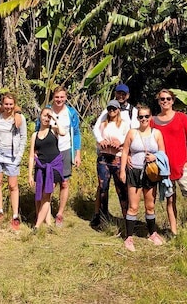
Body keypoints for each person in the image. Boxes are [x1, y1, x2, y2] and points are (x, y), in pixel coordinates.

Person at [151, 89, 187, 247]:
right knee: (171, 201)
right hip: (164, 169)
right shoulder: (152, 121)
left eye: (168, 98)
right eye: (162, 99)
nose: (165, 101)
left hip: (181, 166)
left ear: (173, 100)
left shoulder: (182, 118)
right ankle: (174, 232)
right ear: (158, 101)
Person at [118, 105, 166, 251]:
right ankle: (129, 237)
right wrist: (122, 170)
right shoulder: (132, 133)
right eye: (141, 117)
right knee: (133, 206)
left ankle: (152, 233)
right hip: (134, 172)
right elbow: (125, 151)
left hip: (150, 173)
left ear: (150, 117)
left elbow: (162, 152)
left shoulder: (156, 133)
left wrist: (154, 157)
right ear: (137, 118)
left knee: (150, 205)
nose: (144, 119)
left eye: (146, 116)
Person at [0, 92, 27, 231]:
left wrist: (19, 157)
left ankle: (15, 215)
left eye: (11, 104)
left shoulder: (19, 118)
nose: (8, 107)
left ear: (14, 104)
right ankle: (0, 212)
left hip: (12, 155)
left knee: (13, 185)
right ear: (2, 104)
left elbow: (23, 138)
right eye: (6, 104)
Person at [90, 100, 130, 228]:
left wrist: (120, 142)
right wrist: (101, 141)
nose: (112, 111)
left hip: (117, 158)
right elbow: (96, 134)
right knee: (103, 187)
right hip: (104, 158)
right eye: (110, 109)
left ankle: (127, 218)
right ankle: (102, 218)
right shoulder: (103, 124)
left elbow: (129, 138)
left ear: (118, 110)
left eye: (114, 109)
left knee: (122, 189)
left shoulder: (124, 124)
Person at [47, 86, 82, 227]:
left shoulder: (71, 113)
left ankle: (60, 213)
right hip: (49, 151)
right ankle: (46, 211)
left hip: (65, 150)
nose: (59, 99)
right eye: (57, 97)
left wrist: (77, 153)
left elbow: (76, 133)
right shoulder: (47, 111)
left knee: (64, 182)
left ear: (66, 97)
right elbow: (38, 130)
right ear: (53, 97)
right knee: (49, 183)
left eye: (62, 97)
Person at [28, 108, 66, 229]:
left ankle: (37, 226)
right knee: (41, 195)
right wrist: (29, 175)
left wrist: (54, 118)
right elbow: (31, 156)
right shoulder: (35, 135)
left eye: (48, 117)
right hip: (41, 167)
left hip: (54, 166)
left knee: (46, 194)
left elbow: (63, 132)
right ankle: (48, 223)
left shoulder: (53, 130)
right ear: (40, 116)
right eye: (44, 116)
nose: (46, 118)